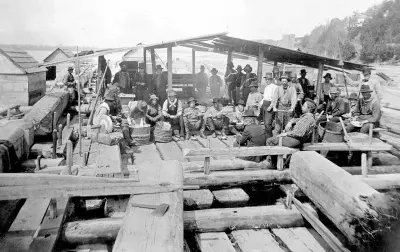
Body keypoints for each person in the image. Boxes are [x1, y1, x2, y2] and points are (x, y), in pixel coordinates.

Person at [266, 99, 317, 168]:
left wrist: (286, 134)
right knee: (275, 139)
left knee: (270, 141)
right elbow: (297, 120)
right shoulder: (306, 117)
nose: (302, 107)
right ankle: (274, 161)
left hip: (296, 140)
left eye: (304, 106)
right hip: (295, 139)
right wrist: (290, 122)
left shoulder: (308, 119)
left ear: (309, 109)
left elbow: (299, 133)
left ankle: (273, 164)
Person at [260, 72, 277, 138]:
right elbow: (264, 98)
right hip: (264, 104)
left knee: (268, 123)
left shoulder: (274, 87)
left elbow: (275, 98)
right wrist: (260, 104)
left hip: (269, 104)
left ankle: (269, 138)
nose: (267, 80)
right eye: (266, 79)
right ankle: (266, 137)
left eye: (268, 79)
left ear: (271, 79)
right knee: (265, 123)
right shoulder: (266, 87)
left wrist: (271, 106)